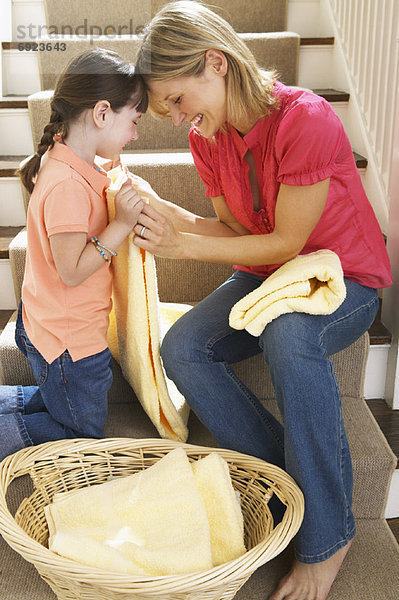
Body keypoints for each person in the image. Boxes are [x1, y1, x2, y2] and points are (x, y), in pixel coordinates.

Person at [131, 2, 392, 599]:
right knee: (185, 349)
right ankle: (290, 478)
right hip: (269, 276)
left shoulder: (308, 119)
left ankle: (327, 536)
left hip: (340, 279)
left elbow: (289, 241)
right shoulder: (207, 139)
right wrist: (174, 217)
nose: (175, 118)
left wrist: (180, 246)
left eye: (175, 100)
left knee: (289, 334)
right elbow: (236, 231)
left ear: (214, 64)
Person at [0, 48, 148, 461]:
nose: (135, 134)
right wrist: (118, 225)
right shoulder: (67, 183)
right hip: (70, 346)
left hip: (50, 326)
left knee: (57, 402)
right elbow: (70, 270)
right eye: (133, 121)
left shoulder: (69, 161)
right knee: (79, 431)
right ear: (102, 113)